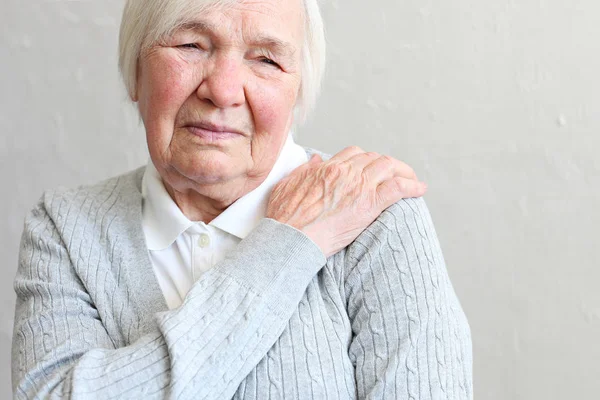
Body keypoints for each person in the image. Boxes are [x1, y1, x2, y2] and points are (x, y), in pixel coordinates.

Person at [11, 0, 473, 398]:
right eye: (191, 45)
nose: (224, 90)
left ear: (297, 93)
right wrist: (284, 247)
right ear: (136, 71)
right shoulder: (66, 229)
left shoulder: (375, 217)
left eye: (267, 59)